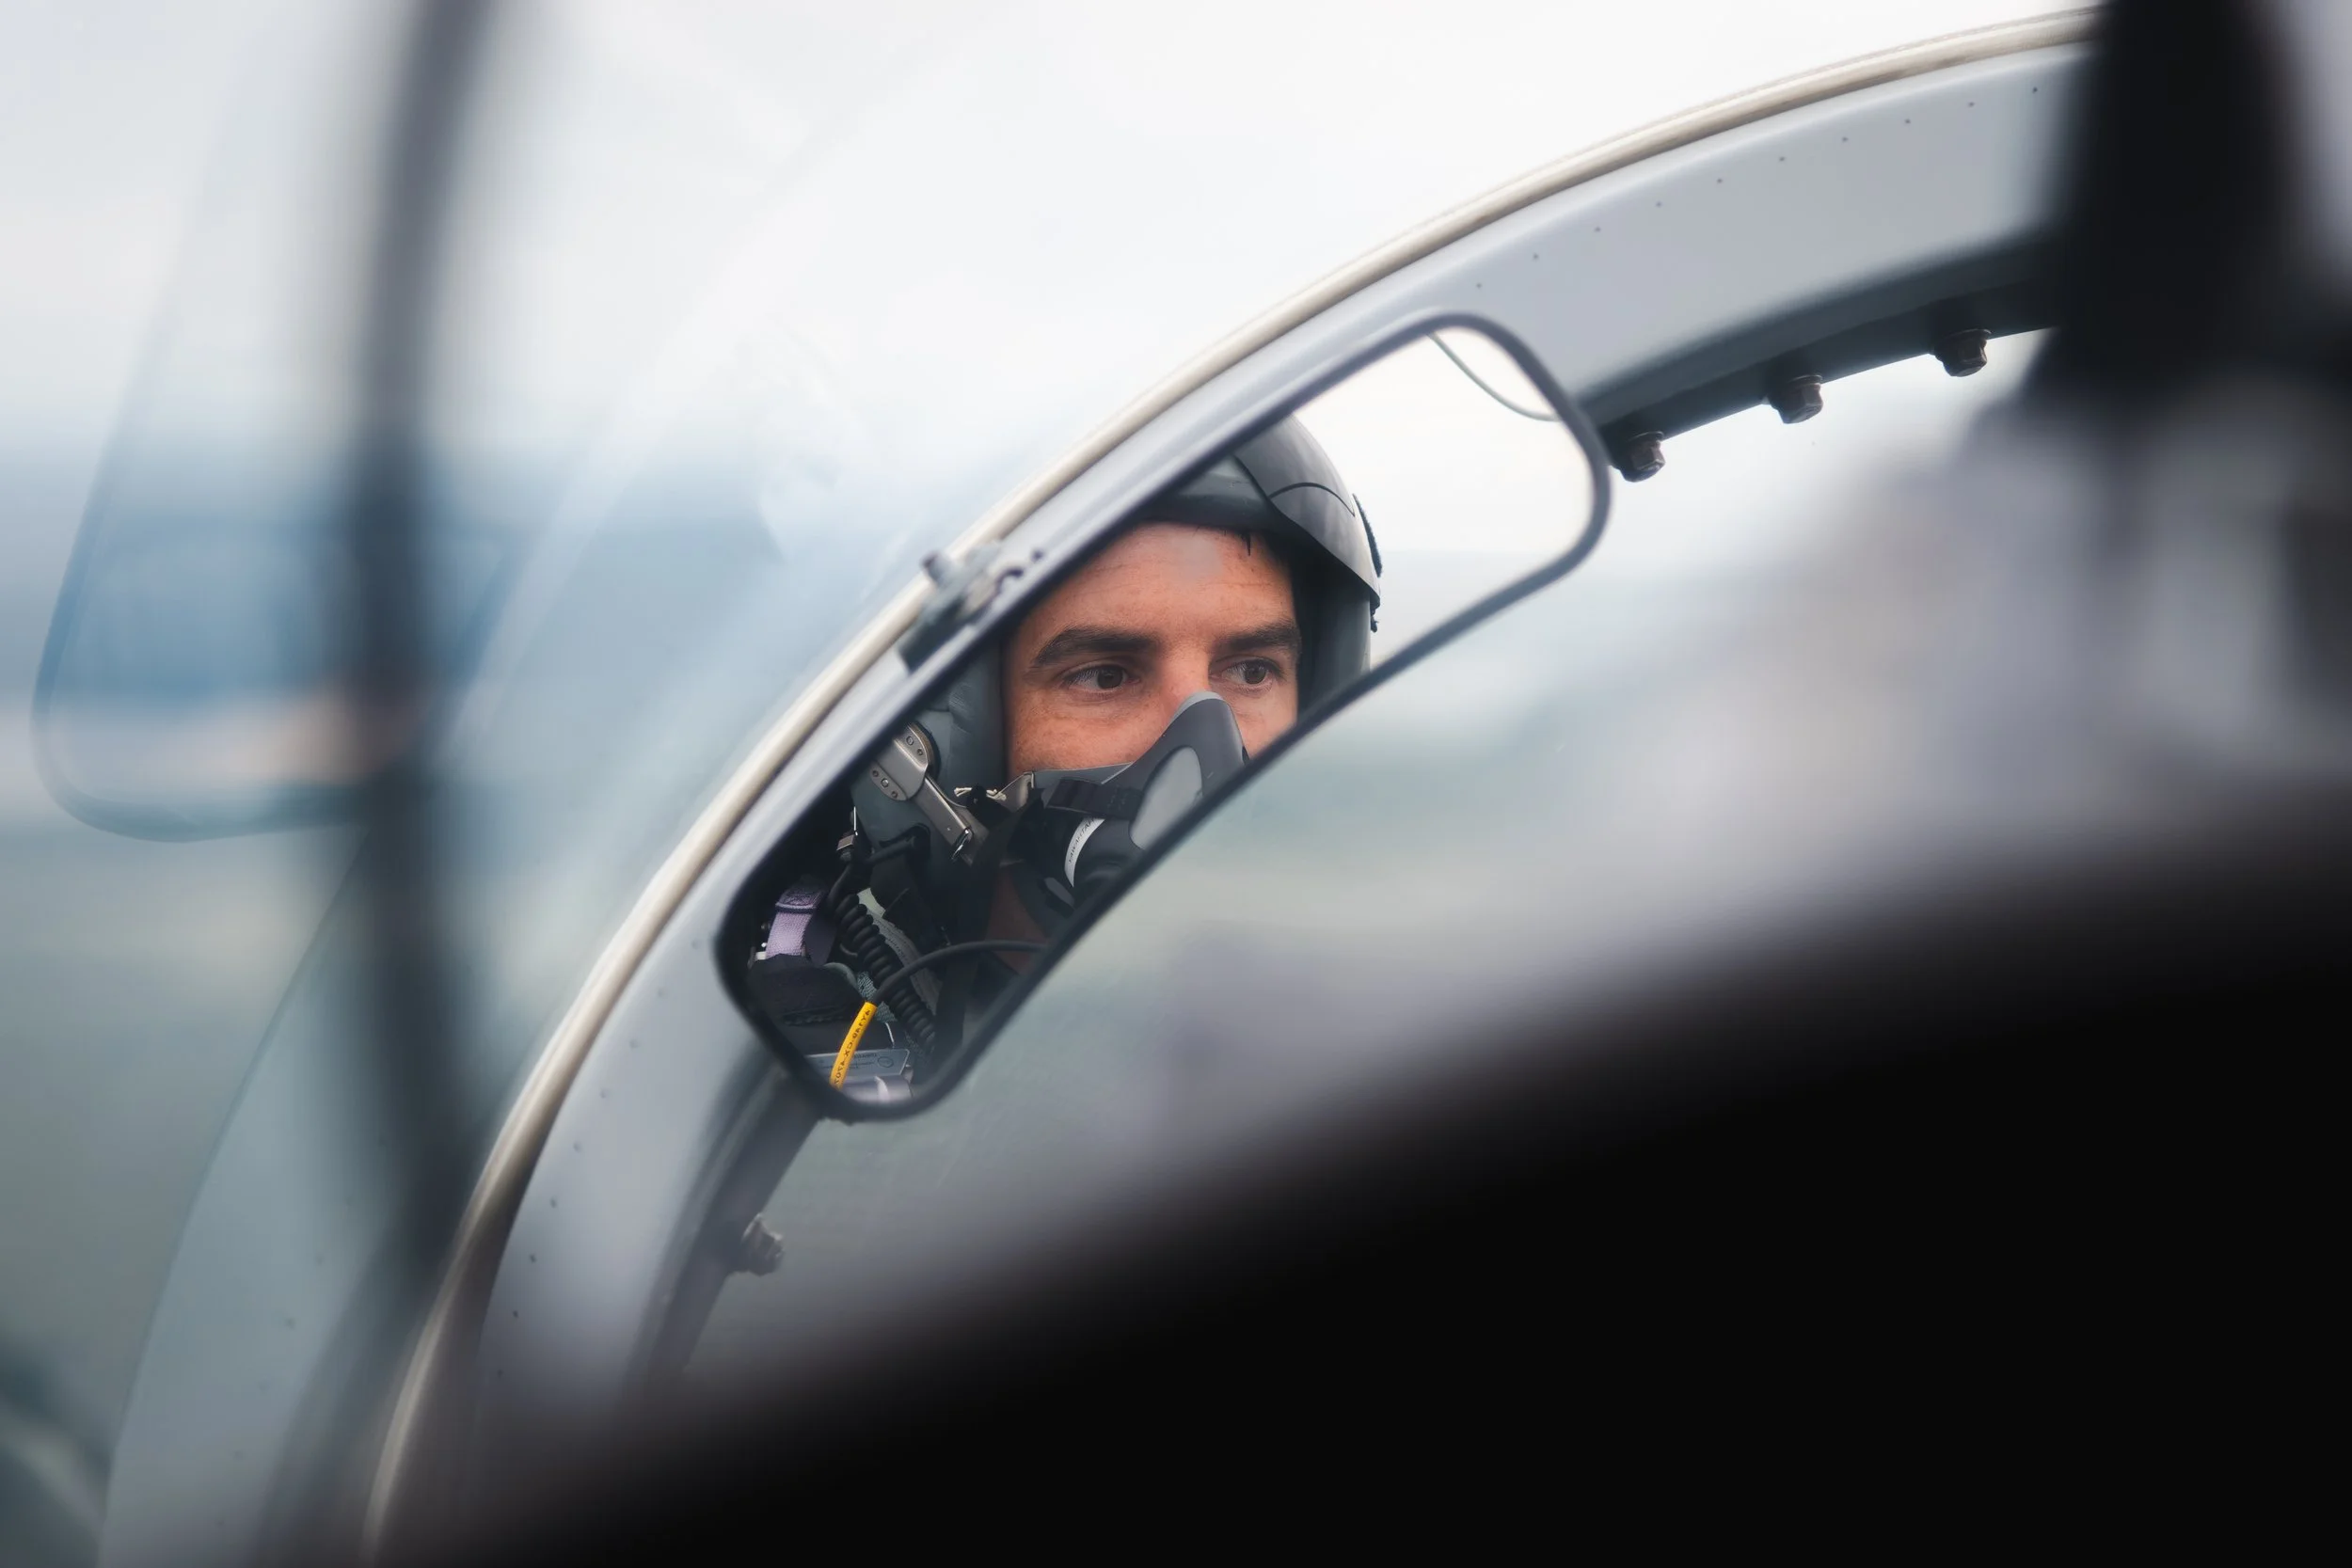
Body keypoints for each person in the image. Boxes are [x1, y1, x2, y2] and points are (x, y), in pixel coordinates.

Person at [743, 415, 1380, 1095]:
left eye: (1252, 671)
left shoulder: (1388, 1041)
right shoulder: (779, 1072)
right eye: (1105, 675)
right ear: (932, 749)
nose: (1205, 755)